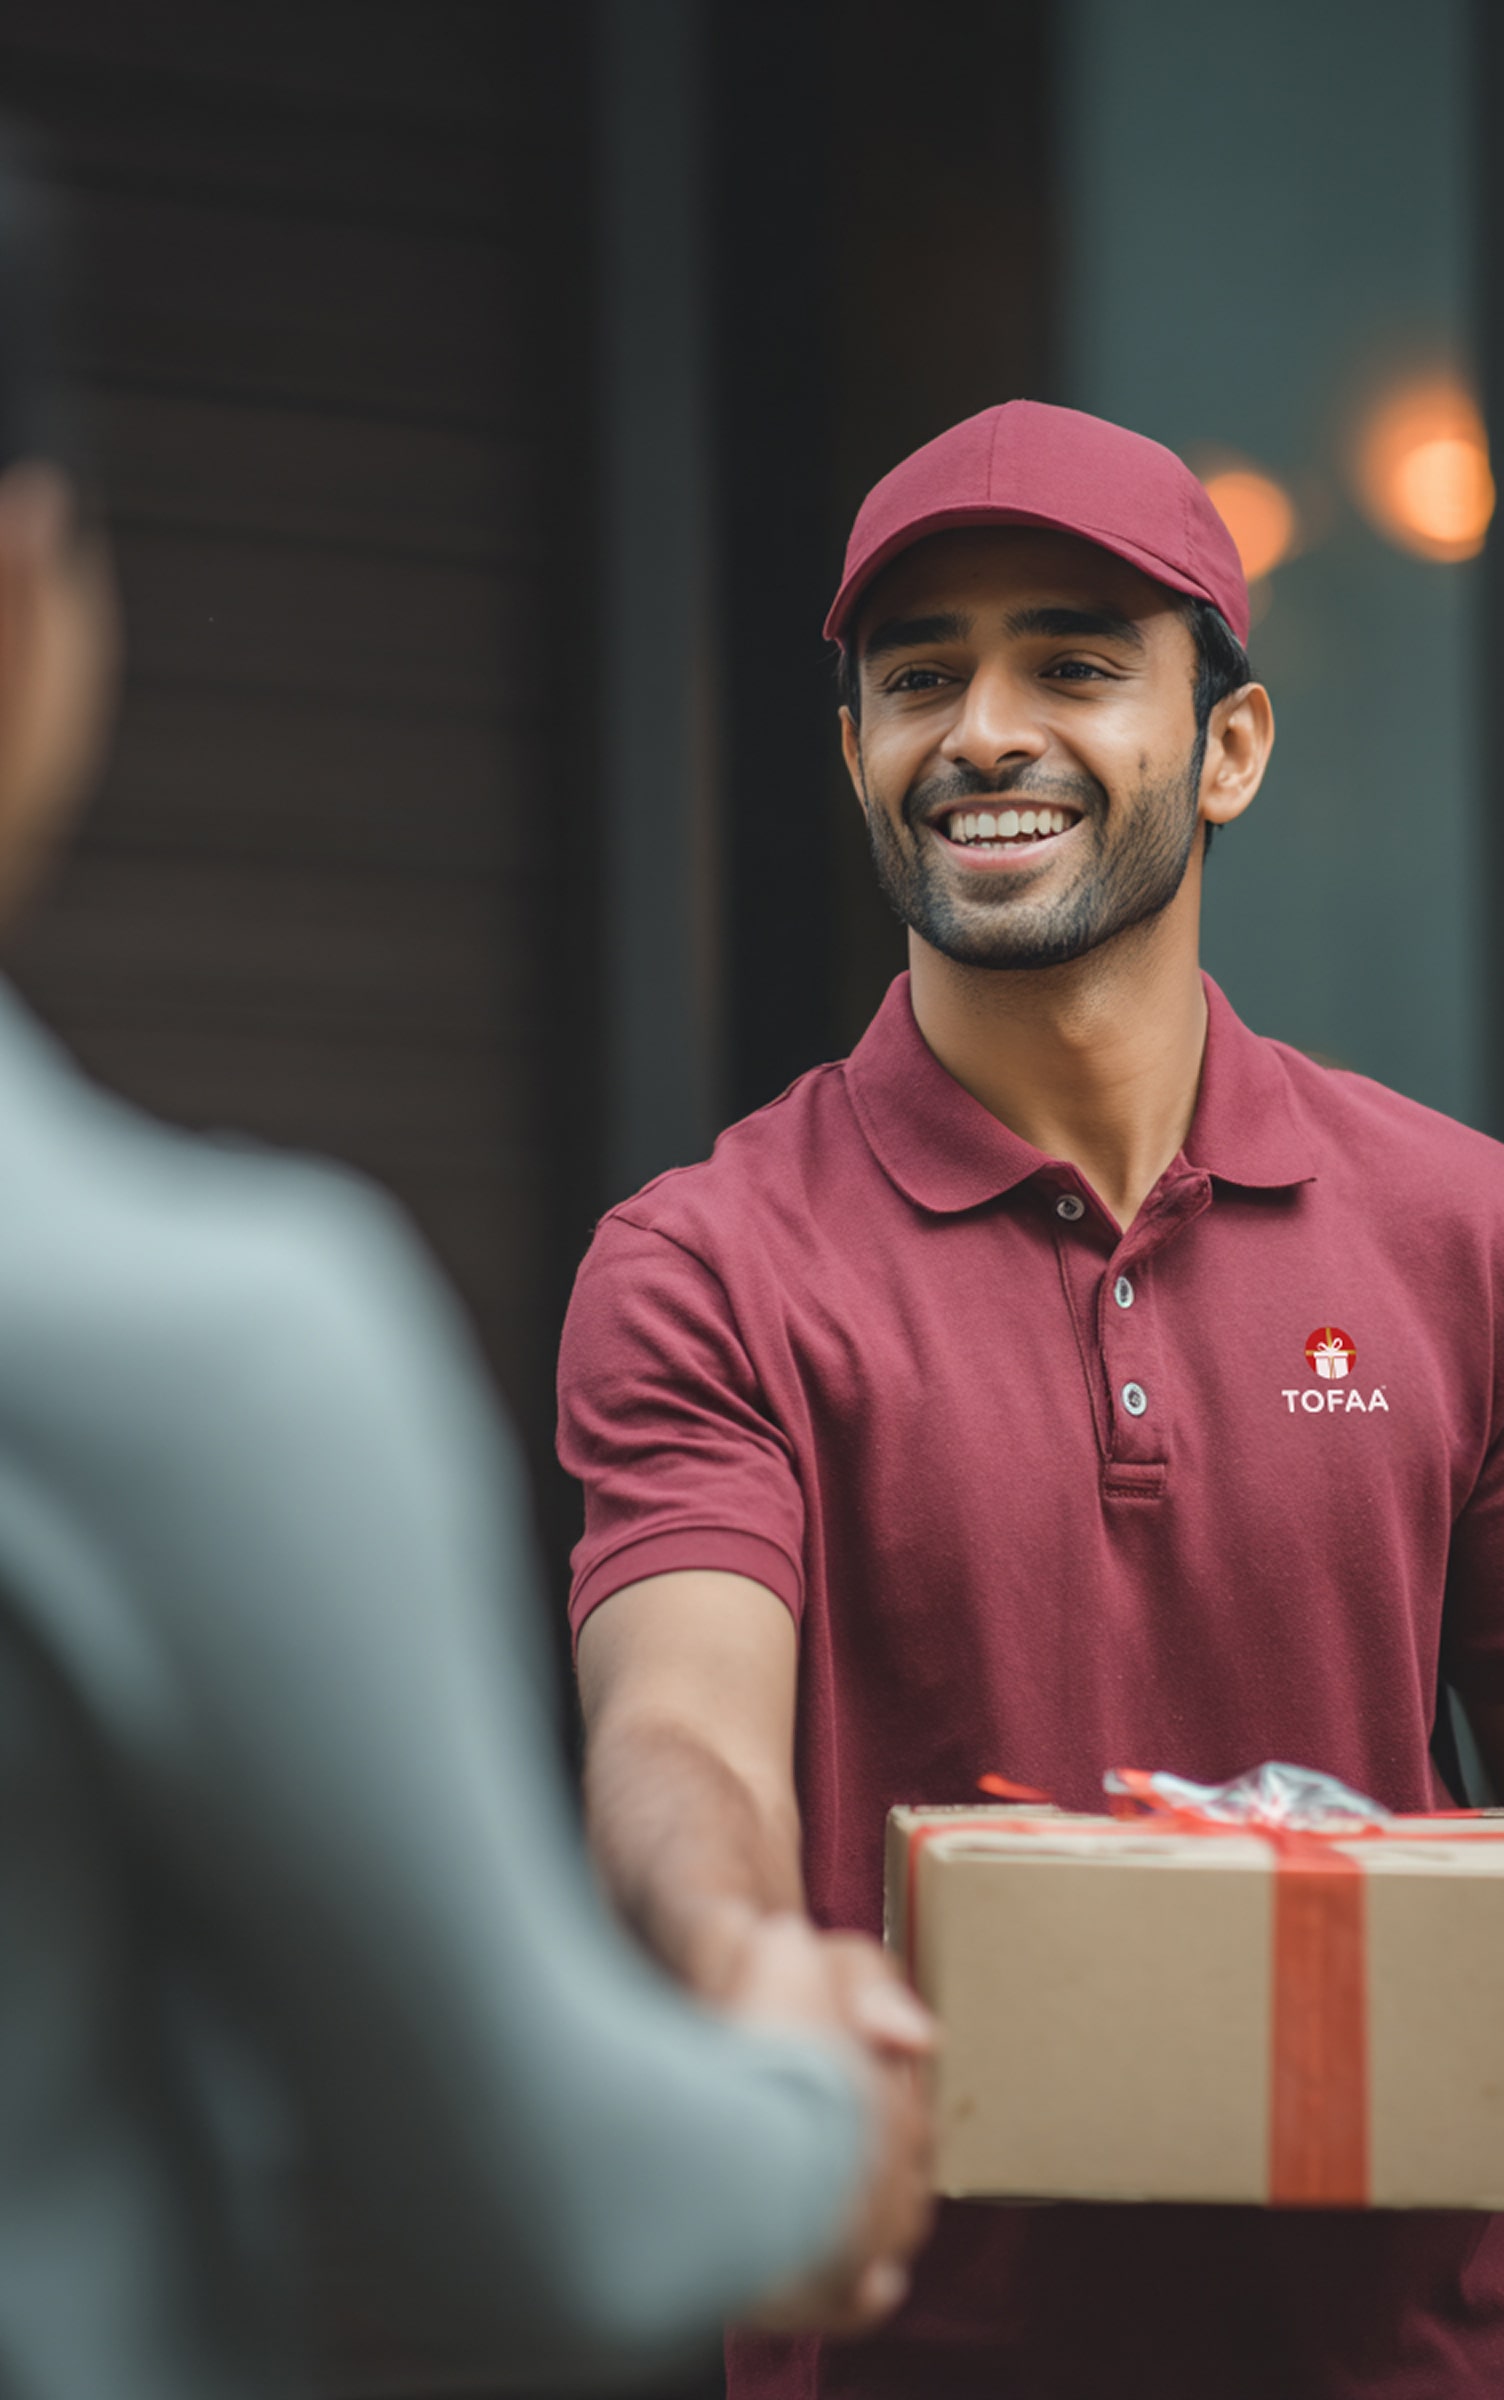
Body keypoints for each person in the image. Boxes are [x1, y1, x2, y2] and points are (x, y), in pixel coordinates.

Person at [559, 399, 1504, 2399]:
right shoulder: (708, 1262)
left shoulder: (1469, 1232)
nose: (983, 731)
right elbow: (685, 1744)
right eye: (917, 679)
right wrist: (741, 1953)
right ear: (853, 753)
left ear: (1229, 744)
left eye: (1073, 664)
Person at [0, 140, 931, 2399]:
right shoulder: (202, 1341)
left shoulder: (1451, 1222)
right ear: (24, 584)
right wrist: (835, 2108)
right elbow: (561, 2208)